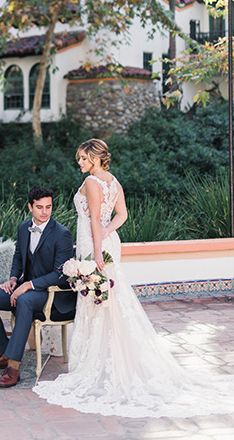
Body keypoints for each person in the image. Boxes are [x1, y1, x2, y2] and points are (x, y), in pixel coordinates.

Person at [34, 138, 234, 417]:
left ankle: (103, 366)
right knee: (111, 302)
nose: (79, 162)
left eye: (82, 158)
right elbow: (122, 214)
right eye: (78, 158)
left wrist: (95, 247)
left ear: (95, 158)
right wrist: (107, 233)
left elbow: (93, 219)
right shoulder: (113, 181)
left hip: (95, 245)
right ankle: (114, 359)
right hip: (106, 241)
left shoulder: (92, 182)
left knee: (98, 302)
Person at [0, 185, 76, 388]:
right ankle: (3, 354)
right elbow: (19, 256)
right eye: (40, 207)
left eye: (48, 206)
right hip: (25, 288)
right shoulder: (23, 228)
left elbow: (60, 274)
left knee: (23, 300)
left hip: (51, 294)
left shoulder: (62, 234)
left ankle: (13, 367)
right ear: (30, 207)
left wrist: (29, 285)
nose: (45, 211)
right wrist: (14, 278)